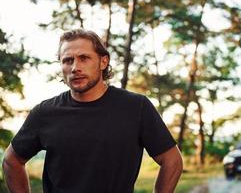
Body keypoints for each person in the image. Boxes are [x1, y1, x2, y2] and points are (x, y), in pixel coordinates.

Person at [2, 29, 183, 193]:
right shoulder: (44, 113)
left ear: (103, 61)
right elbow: (12, 160)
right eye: (67, 60)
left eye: (84, 58)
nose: (75, 68)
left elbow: (172, 160)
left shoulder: (136, 107)